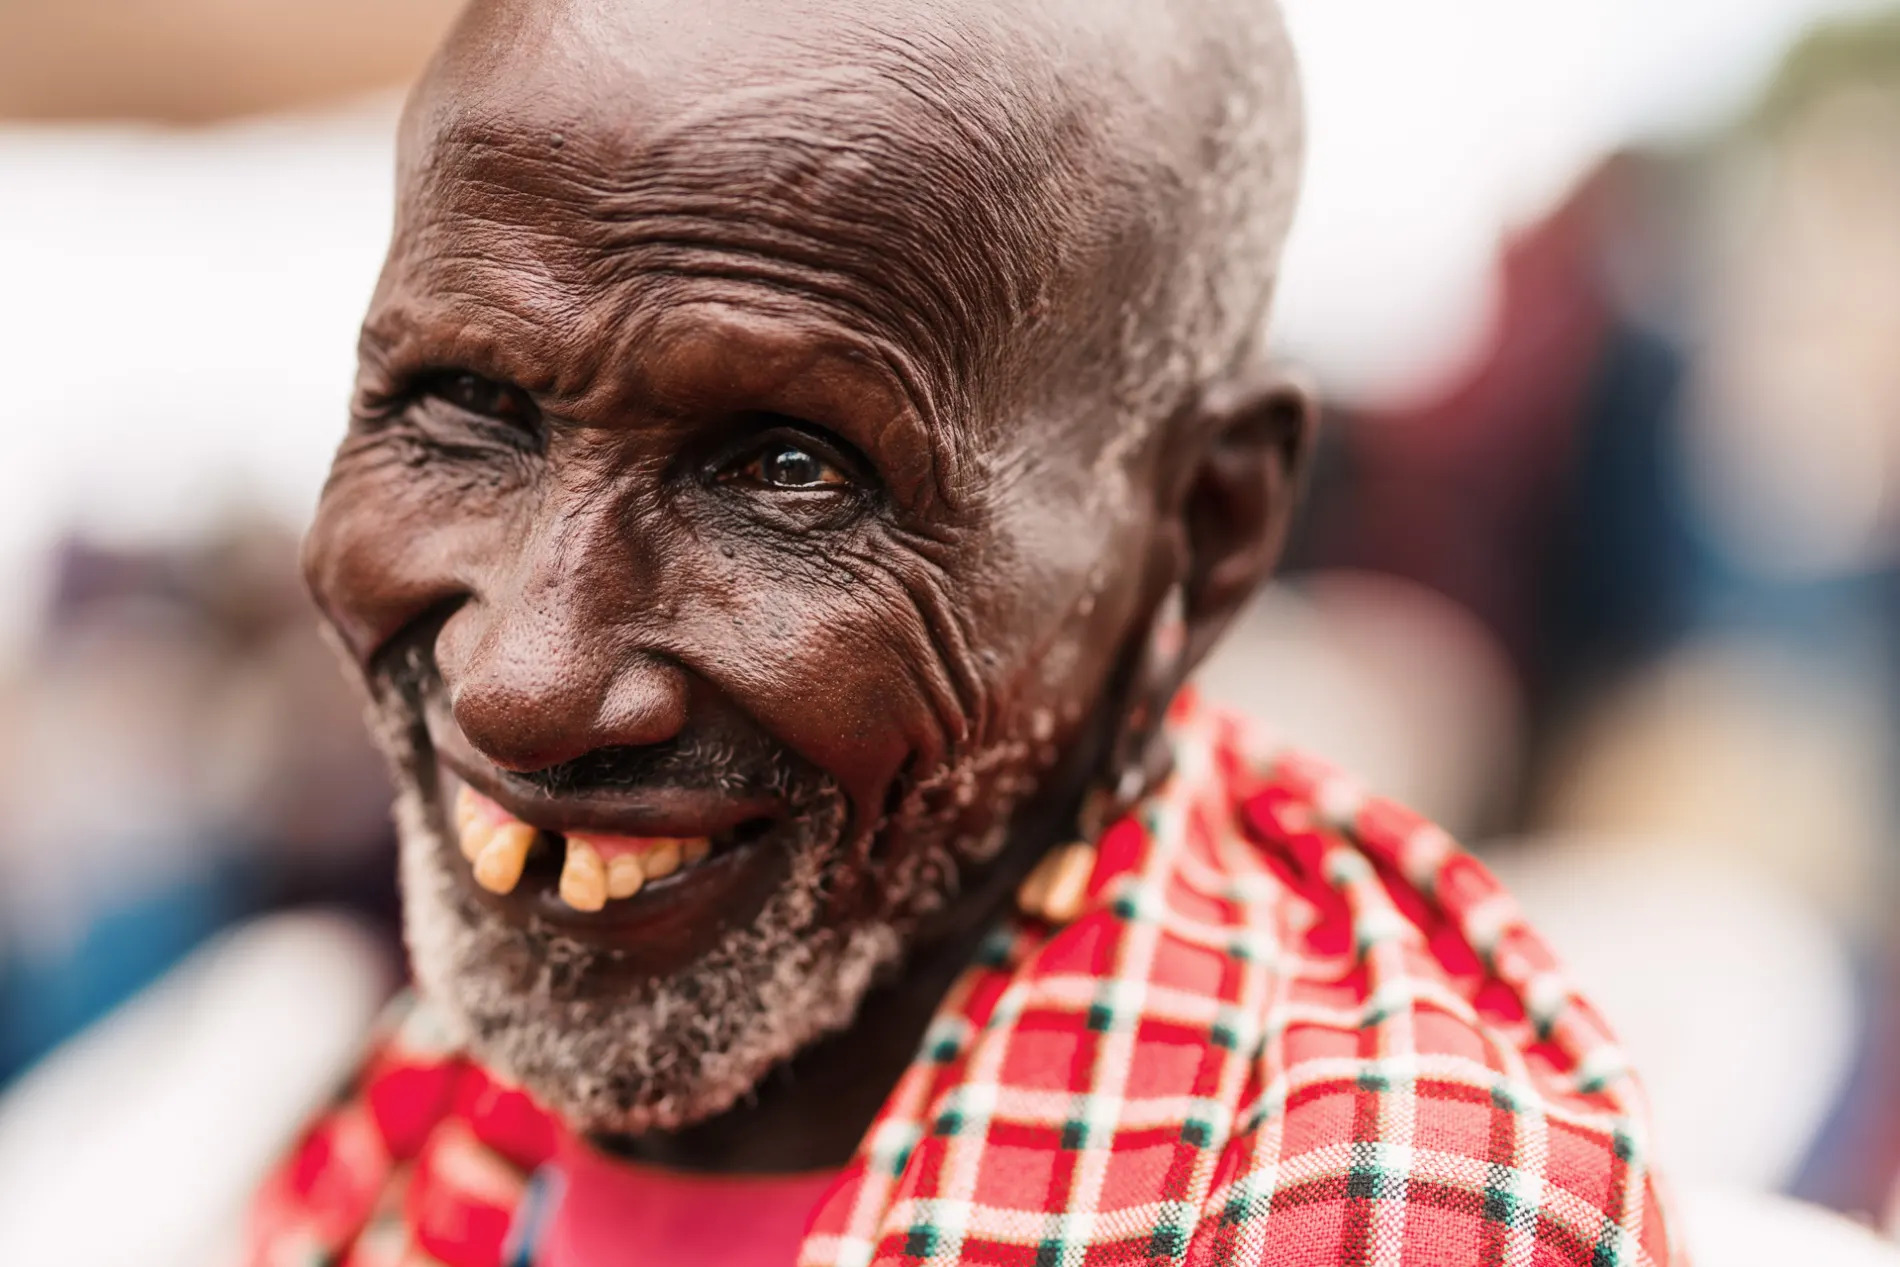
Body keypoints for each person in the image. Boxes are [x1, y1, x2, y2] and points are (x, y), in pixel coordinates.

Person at [247, 0, 1681, 1262]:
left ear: (1202, 533)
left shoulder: (1372, 1210)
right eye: (464, 407)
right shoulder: (420, 1109)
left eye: (791, 472)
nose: (522, 687)